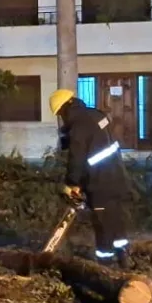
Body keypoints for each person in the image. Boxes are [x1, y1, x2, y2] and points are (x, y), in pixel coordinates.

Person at [49, 88, 132, 265]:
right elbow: (95, 141)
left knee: (103, 225)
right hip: (117, 176)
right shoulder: (96, 114)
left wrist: (72, 183)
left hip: (100, 182)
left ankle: (105, 264)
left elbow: (77, 158)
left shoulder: (79, 126)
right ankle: (124, 257)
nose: (61, 118)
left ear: (64, 109)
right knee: (116, 220)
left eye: (60, 114)